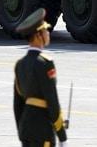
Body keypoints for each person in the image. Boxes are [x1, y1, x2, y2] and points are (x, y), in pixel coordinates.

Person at [14, 8, 68, 147]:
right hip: (42, 128)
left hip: (26, 129)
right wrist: (62, 135)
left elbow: (17, 105)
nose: (47, 34)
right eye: (45, 31)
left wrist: (21, 129)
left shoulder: (20, 65)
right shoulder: (44, 63)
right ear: (38, 35)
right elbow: (52, 100)